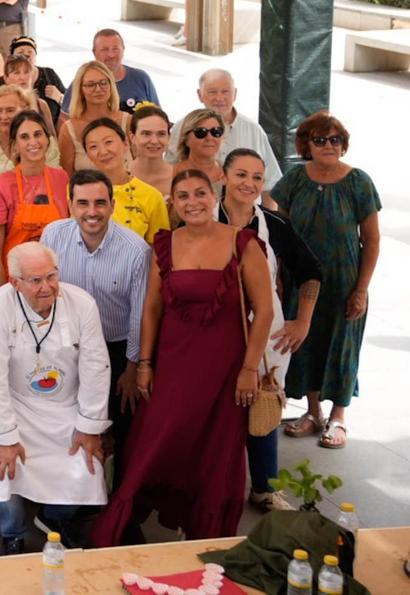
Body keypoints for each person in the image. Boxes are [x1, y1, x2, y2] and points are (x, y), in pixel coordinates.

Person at [92, 169, 273, 545]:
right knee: (152, 439)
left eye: (200, 193)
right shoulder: (165, 244)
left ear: (214, 195)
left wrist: (249, 368)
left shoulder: (243, 242)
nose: (193, 202)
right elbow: (151, 308)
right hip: (172, 364)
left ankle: (206, 533)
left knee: (215, 446)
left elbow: (265, 312)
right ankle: (125, 523)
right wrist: (144, 364)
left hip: (226, 367)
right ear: (173, 204)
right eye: (184, 196)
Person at [0, 242, 112, 553]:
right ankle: (13, 533)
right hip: (17, 406)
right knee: (7, 467)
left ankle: (56, 518)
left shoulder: (82, 304)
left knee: (85, 463)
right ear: (15, 282)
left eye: (51, 276)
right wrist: (5, 437)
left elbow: (96, 367)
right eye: (35, 280)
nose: (47, 287)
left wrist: (89, 426)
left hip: (67, 406)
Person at [218, 148, 322, 510]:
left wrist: (302, 321)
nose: (248, 183)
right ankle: (216, 487)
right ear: (223, 177)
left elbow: (311, 272)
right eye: (241, 174)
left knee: (263, 406)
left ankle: (264, 487)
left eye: (257, 177)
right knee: (219, 410)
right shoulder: (203, 218)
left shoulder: (275, 225)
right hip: (216, 330)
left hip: (269, 334)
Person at [271, 111, 380, 451]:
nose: (328, 145)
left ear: (343, 144)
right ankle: (313, 412)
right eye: (320, 140)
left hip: (343, 280)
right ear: (307, 145)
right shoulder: (294, 179)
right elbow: (280, 233)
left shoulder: (359, 182)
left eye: (335, 140)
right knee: (305, 343)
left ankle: (338, 416)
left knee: (342, 345)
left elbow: (372, 240)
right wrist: (278, 277)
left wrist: (361, 289)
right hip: (300, 279)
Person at [39, 170, 150, 493]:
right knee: (65, 419)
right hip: (65, 346)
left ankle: (121, 498)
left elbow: (139, 314)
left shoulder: (135, 250)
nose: (92, 211)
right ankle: (69, 495)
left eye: (100, 203)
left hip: (116, 348)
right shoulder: (52, 236)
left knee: (123, 422)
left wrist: (132, 367)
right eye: (83, 203)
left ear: (113, 205)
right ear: (70, 205)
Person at [167, 69, 282, 194]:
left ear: (235, 94)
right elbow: (167, 170)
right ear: (200, 95)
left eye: (225, 91)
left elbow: (269, 183)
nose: (219, 98)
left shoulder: (254, 130)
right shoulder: (181, 127)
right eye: (212, 92)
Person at [0, 110, 70, 288]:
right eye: (24, 137)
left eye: (38, 134)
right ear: (15, 145)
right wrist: (4, 293)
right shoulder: (0, 186)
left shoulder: (61, 178)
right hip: (18, 282)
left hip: (57, 279)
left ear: (48, 139)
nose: (33, 142)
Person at [81, 118, 170, 241]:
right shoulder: (77, 190)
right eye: (93, 146)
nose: (103, 151)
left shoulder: (151, 196)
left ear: (126, 144)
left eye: (108, 142)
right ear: (87, 154)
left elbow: (160, 246)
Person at [59, 61, 135, 174]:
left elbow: (141, 165)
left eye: (103, 82)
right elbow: (66, 175)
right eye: (90, 85)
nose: (98, 89)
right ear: (80, 90)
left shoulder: (128, 121)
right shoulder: (69, 129)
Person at [63, 29, 160, 114]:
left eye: (116, 49)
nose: (111, 55)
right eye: (104, 50)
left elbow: (158, 117)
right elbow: (65, 120)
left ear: (123, 50)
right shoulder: (83, 82)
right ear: (94, 53)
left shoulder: (141, 78)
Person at [127, 106, 175, 198]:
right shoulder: (118, 176)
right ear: (132, 137)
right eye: (146, 134)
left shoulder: (180, 177)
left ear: (168, 137)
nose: (154, 141)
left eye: (161, 134)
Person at [173, 107, 228, 186]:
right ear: (186, 139)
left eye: (216, 131)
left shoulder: (229, 171)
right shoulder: (172, 175)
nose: (209, 138)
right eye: (201, 132)